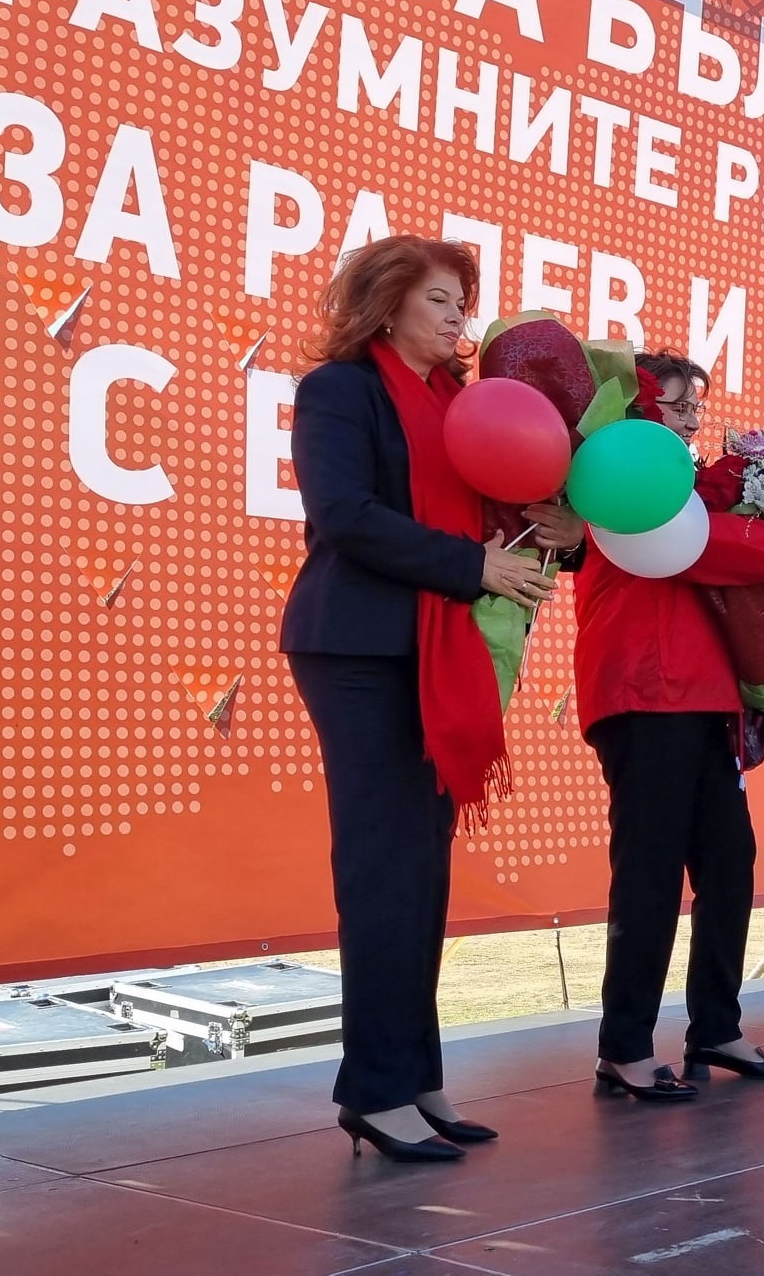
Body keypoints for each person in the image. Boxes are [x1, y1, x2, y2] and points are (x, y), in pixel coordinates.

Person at [282, 235, 569, 1161]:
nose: (457, 318)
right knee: (383, 867)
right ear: (388, 301)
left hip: (441, 646)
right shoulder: (341, 390)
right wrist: (471, 566)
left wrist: (550, 527)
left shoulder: (461, 402)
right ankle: (374, 1091)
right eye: (439, 299)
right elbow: (345, 516)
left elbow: (494, 515)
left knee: (424, 868)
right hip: (360, 646)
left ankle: (415, 1077)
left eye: (461, 303)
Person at [571, 349, 764, 1102]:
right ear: (638, 413)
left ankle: (715, 1026)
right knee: (650, 870)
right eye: (677, 408)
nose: (691, 422)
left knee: (729, 862)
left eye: (694, 410)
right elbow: (703, 546)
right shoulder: (624, 483)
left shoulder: (693, 486)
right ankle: (624, 1047)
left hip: (704, 697)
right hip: (644, 692)